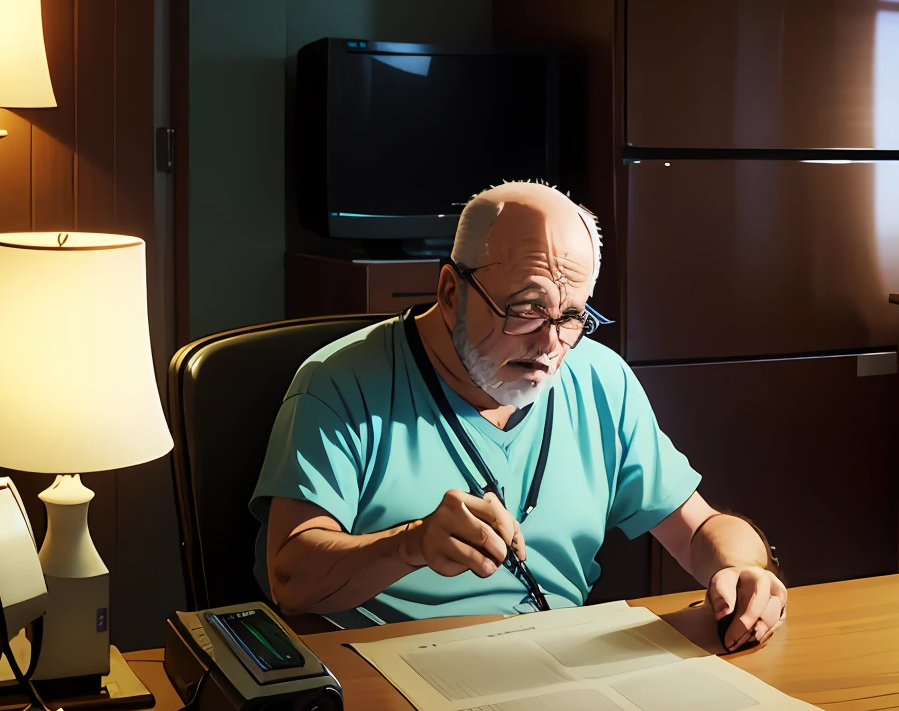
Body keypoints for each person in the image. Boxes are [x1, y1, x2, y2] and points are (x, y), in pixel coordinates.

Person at [251, 181, 785, 649]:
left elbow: (699, 530)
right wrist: (410, 544)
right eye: (527, 309)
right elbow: (292, 580)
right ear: (450, 291)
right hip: (390, 679)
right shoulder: (339, 383)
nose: (550, 344)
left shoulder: (601, 380)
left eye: (573, 315)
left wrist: (742, 571)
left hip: (558, 675)